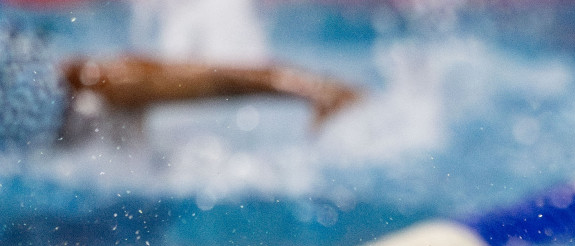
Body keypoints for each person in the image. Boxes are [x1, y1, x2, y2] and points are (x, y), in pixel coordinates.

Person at [0, 20, 360, 152]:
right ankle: (313, 89)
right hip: (52, 100)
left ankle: (313, 88)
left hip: (66, 97)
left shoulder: (76, 87)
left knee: (102, 82)